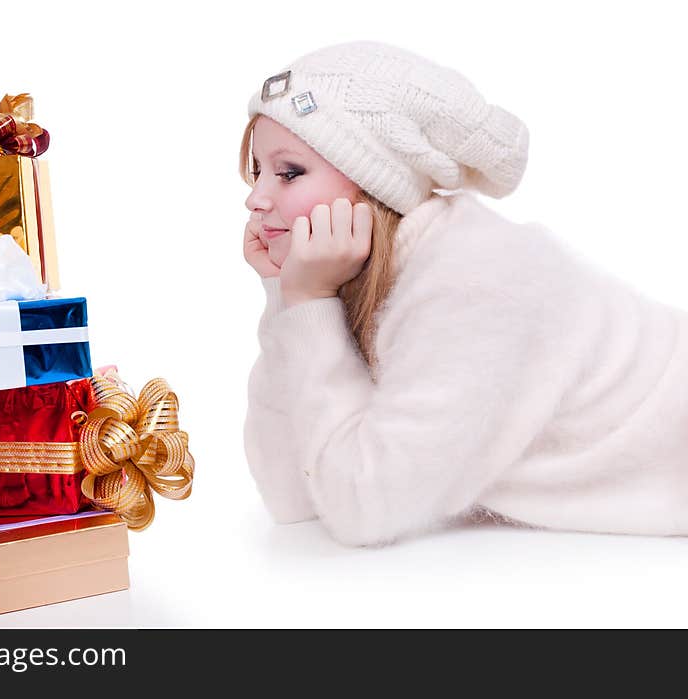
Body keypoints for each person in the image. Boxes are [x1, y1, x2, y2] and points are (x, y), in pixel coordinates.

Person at [241, 41, 688, 547]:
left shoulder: (474, 282)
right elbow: (293, 498)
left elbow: (360, 507)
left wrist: (309, 305)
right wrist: (285, 296)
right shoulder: (363, 279)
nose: (256, 199)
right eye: (257, 171)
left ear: (372, 179)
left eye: (290, 172)